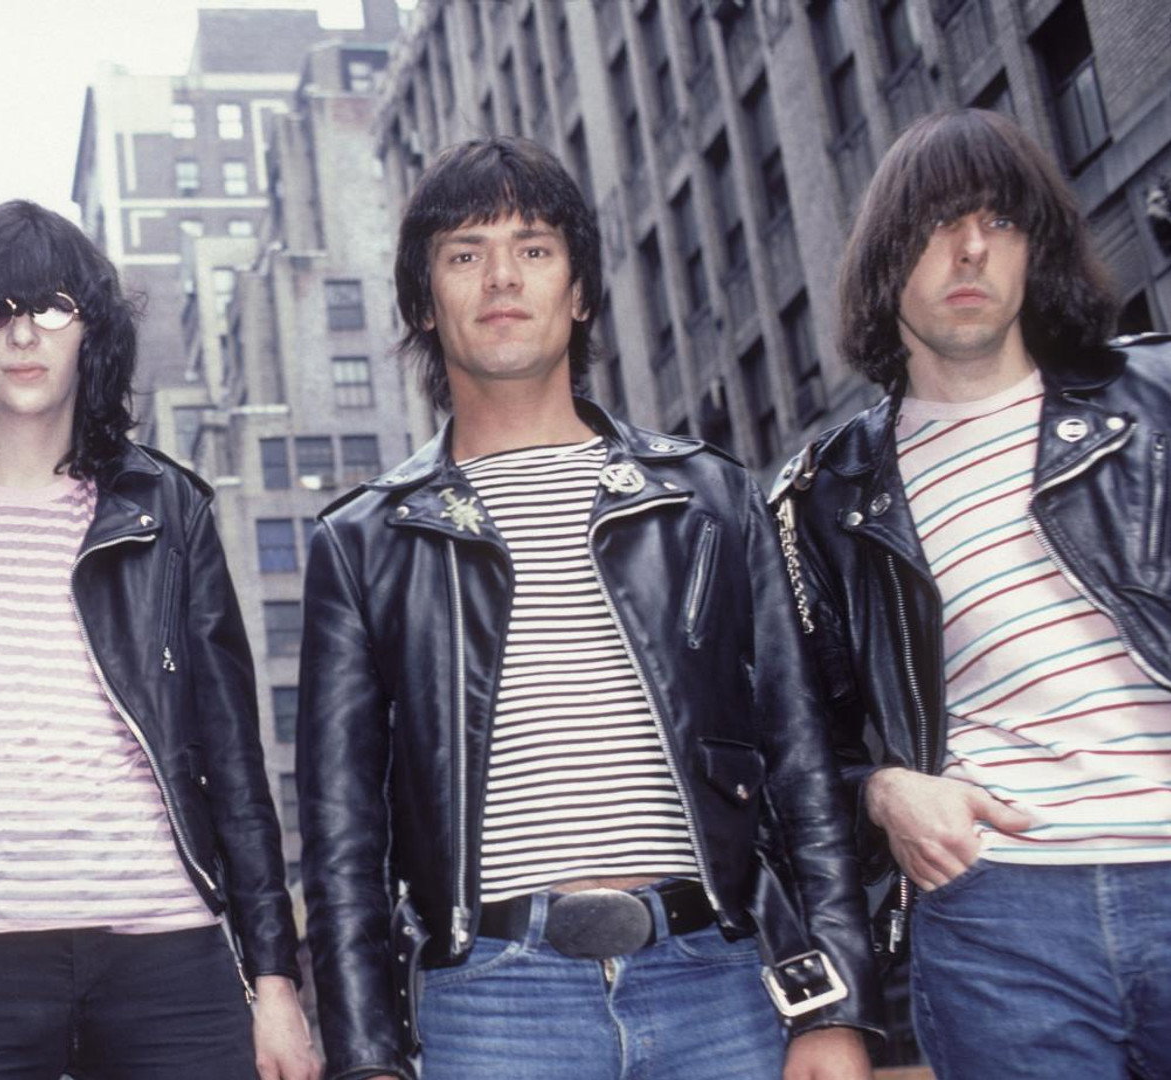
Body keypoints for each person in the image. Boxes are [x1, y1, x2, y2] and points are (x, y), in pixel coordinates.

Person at [296, 137, 876, 1080]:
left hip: (720, 979)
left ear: (579, 292)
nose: (501, 277)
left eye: (533, 249)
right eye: (463, 253)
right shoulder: (363, 539)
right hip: (490, 1003)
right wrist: (367, 1057)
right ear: (422, 302)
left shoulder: (707, 497)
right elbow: (340, 838)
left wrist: (836, 1006)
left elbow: (800, 764)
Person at [0, 199, 318, 1080]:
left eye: (51, 307)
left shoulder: (168, 507)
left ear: (91, 329)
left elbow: (233, 758)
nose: (22, 334)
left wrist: (274, 978)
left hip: (167, 951)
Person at [773, 107, 1171, 1079]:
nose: (969, 249)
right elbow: (791, 747)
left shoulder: (1155, 398)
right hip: (999, 919)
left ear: (1037, 248)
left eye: (999, 220)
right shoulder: (827, 493)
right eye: (935, 224)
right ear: (884, 264)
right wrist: (880, 791)